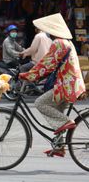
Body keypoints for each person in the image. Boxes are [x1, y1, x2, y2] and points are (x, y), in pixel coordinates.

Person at [19, 13, 86, 157]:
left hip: (66, 85)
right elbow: (48, 64)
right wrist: (34, 75)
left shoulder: (59, 43)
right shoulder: (67, 42)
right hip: (71, 84)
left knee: (40, 103)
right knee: (55, 110)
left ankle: (67, 122)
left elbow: (46, 64)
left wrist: (28, 76)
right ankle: (59, 146)